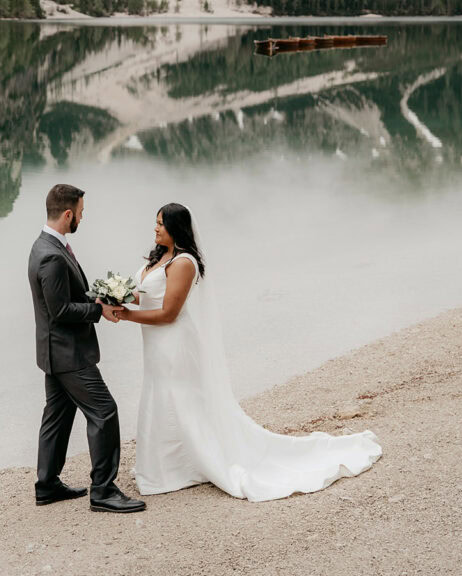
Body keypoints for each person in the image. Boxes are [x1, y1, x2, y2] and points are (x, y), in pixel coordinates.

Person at [116, 202, 382, 500]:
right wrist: (116, 296)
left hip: (174, 343)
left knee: (179, 398)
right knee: (161, 394)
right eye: (156, 222)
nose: (155, 228)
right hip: (155, 344)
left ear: (175, 228)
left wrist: (126, 316)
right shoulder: (160, 256)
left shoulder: (183, 263)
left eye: (161, 223)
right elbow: (147, 295)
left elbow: (169, 313)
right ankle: (168, 465)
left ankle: (184, 464)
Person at [28, 183, 146, 513]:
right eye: (81, 212)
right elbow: (60, 310)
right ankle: (103, 491)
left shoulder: (44, 245)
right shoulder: (52, 255)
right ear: (68, 214)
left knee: (57, 415)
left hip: (53, 351)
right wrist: (98, 310)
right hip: (69, 354)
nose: (83, 217)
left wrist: (100, 296)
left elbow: (64, 297)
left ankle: (47, 485)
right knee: (104, 412)